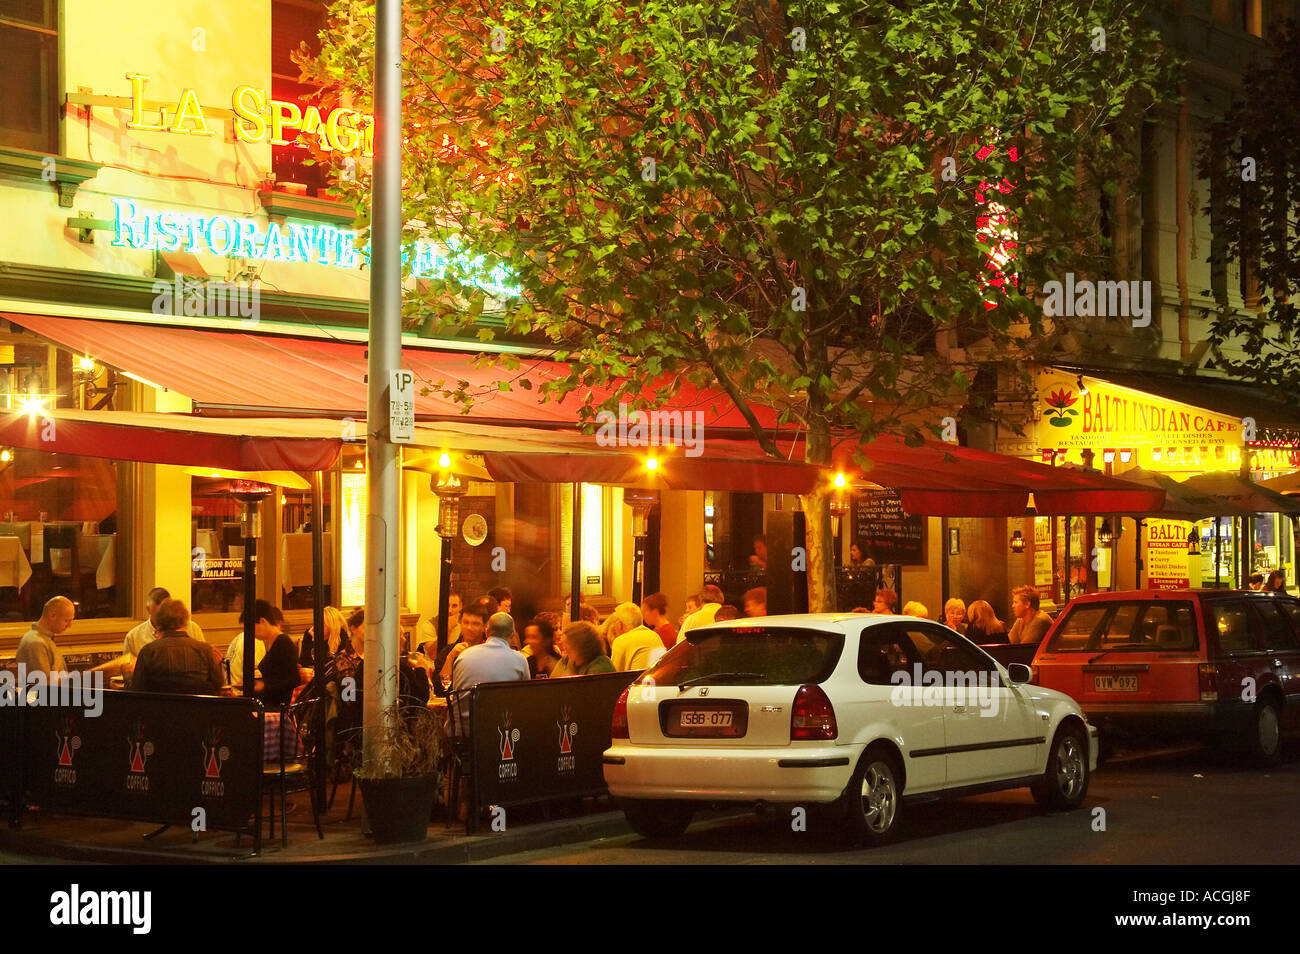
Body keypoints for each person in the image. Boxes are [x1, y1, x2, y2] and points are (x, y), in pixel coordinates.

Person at [451, 612, 529, 725]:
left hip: (462, 733)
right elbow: (525, 700)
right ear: (512, 636)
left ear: (487, 632)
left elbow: (456, 693)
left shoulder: (464, 656)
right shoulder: (519, 660)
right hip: (500, 733)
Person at [131, 599, 223, 695]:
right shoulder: (205, 650)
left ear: (159, 623)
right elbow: (218, 685)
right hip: (197, 708)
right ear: (186, 621)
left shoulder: (148, 652)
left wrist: (127, 675)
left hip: (159, 708)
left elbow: (137, 690)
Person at [244, 600, 301, 706]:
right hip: (267, 701)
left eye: (251, 627)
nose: (250, 632)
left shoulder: (283, 642)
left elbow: (293, 680)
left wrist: (264, 686)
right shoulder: (273, 643)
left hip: (276, 706)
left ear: (262, 621)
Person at [124, 586, 206, 660]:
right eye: (158, 615)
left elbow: (204, 658)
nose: (163, 619)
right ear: (148, 609)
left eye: (165, 614)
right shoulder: (133, 637)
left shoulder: (193, 629)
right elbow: (129, 667)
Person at [14, 596, 75, 680]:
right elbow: (45, 685)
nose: (69, 625)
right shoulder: (35, 643)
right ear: (52, 615)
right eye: (66, 620)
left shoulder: (44, 639)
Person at [439, 597, 495, 684]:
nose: (469, 628)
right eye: (466, 622)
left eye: (475, 624)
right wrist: (450, 658)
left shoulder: (492, 652)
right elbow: (439, 689)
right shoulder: (449, 651)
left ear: (484, 627)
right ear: (460, 623)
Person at [606, 602, 665, 672]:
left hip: (636, 682)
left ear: (619, 624)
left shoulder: (621, 641)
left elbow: (614, 675)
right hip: (657, 681)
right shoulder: (655, 636)